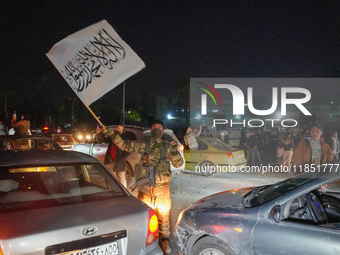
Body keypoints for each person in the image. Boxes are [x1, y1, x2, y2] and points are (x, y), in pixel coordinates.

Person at [101, 120, 184, 254]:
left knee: (163, 215)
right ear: (151, 130)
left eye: (159, 127)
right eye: (154, 127)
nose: (156, 129)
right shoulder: (143, 144)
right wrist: (111, 133)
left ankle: (164, 240)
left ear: (163, 131)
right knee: (146, 215)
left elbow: (179, 164)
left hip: (162, 187)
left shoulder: (168, 146)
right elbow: (125, 145)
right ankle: (147, 240)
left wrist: (174, 151)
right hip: (145, 187)